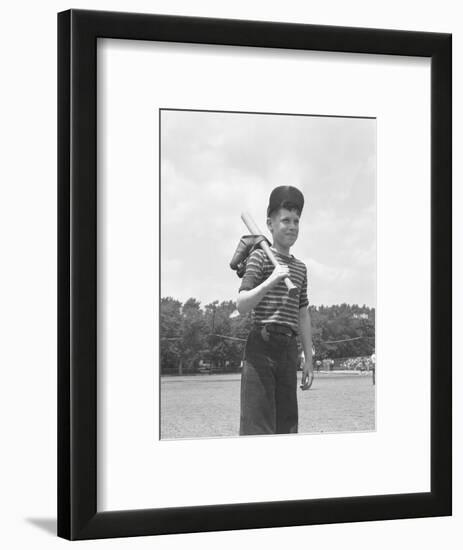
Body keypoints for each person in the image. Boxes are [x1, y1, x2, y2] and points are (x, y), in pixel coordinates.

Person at [236, 185, 313, 435]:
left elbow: (303, 315)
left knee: (287, 427)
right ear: (269, 224)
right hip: (261, 348)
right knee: (258, 428)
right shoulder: (259, 257)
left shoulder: (300, 269)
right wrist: (271, 280)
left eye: (296, 221)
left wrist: (309, 359)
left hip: (289, 351)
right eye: (285, 220)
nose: (292, 226)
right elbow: (242, 304)